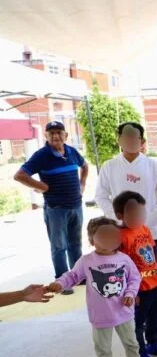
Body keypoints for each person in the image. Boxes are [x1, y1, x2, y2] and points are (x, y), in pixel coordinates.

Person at [44, 217, 153, 357]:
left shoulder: (124, 258)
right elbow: (72, 276)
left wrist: (130, 293)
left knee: (131, 343)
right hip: (100, 315)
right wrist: (60, 283)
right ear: (91, 239)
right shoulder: (87, 260)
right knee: (103, 349)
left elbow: (134, 278)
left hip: (123, 312)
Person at [14, 121, 89, 292]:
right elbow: (19, 175)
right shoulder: (41, 155)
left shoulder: (71, 151)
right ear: (46, 136)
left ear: (65, 135)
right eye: (51, 133)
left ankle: (78, 277)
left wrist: (82, 184)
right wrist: (42, 187)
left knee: (75, 243)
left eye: (59, 132)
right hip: (56, 208)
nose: (55, 136)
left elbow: (84, 165)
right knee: (59, 246)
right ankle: (62, 282)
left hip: (76, 206)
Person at [95, 122, 157, 288]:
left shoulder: (152, 166)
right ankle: (129, 310)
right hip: (121, 231)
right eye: (126, 136)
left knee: (149, 272)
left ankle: (151, 308)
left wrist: (151, 216)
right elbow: (101, 196)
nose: (130, 140)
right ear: (119, 140)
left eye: (134, 137)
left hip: (149, 229)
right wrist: (116, 216)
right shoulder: (109, 166)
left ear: (141, 141)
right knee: (123, 274)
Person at [113, 190, 157, 357]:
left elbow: (153, 255)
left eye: (141, 212)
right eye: (132, 213)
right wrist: (130, 292)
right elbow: (119, 268)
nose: (138, 216)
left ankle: (152, 344)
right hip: (137, 289)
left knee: (155, 317)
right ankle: (140, 352)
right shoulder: (119, 236)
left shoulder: (145, 229)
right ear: (120, 215)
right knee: (138, 322)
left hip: (153, 285)